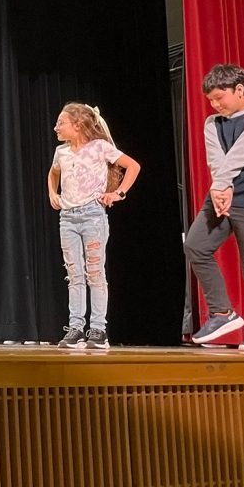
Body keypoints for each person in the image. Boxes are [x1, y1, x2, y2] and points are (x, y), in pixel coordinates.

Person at [184, 63, 244, 352]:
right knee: (195, 245)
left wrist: (222, 184)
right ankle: (222, 312)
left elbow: (243, 153)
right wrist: (220, 187)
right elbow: (216, 159)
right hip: (221, 194)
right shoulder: (212, 123)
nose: (215, 104)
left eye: (219, 98)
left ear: (239, 90)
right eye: (211, 100)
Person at [48, 102, 141, 349]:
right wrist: (52, 193)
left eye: (61, 122)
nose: (56, 127)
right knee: (74, 274)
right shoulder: (61, 152)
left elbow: (133, 166)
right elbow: (53, 173)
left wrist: (118, 193)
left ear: (77, 126)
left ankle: (98, 329)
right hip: (67, 217)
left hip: (92, 216)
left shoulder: (100, 147)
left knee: (95, 273)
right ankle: (76, 327)